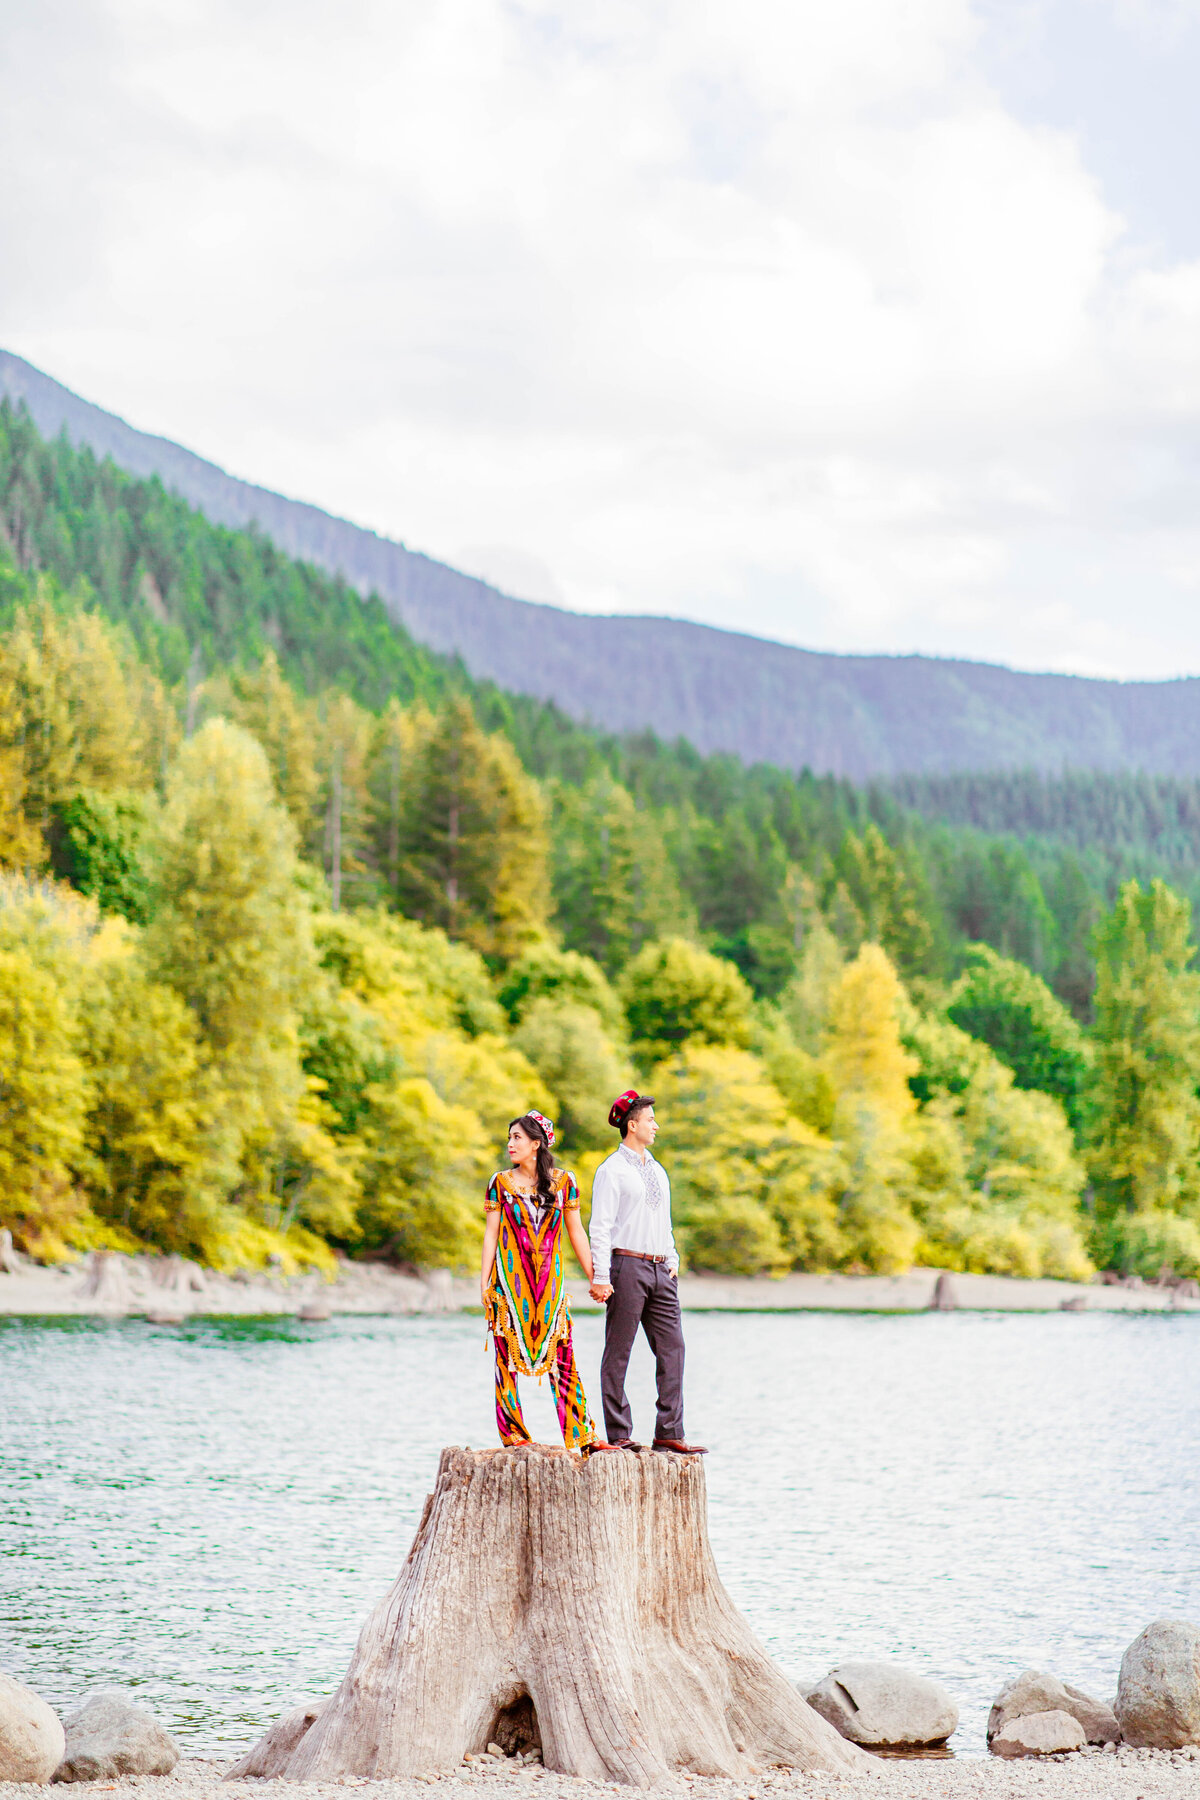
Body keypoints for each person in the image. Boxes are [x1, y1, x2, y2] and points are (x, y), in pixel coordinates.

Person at [481, 1110, 613, 1454]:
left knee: (563, 1358)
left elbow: (576, 1232)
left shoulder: (564, 1182)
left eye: (517, 1138)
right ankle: (514, 1436)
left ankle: (583, 1436)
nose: (510, 1144)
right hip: (509, 1285)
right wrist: (484, 1284)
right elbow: (491, 1234)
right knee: (504, 1362)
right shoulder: (500, 1182)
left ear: (536, 1144)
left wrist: (598, 1277)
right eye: (509, 1137)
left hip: (550, 1286)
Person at [587, 1091, 707, 1455]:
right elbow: (601, 1227)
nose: (656, 1125)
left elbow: (663, 1221)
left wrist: (672, 1258)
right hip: (626, 1266)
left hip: (661, 1270)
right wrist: (601, 1275)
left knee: (674, 1349)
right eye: (650, 1119)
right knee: (619, 1351)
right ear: (632, 1124)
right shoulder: (611, 1170)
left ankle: (669, 1430)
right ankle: (619, 1432)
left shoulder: (658, 1170)